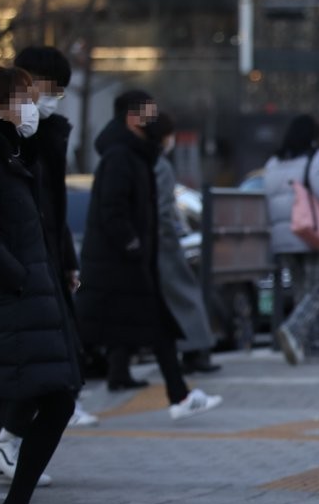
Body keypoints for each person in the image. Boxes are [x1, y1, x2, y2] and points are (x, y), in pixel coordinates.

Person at [0, 65, 80, 504]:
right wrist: (17, 276)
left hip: (20, 310)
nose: (33, 107)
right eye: (25, 98)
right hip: (0, 310)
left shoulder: (8, 153)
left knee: (57, 396)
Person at [0, 46, 95, 492]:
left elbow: (51, 206)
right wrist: (21, 269)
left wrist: (65, 260)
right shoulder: (0, 139)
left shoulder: (44, 135)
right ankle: (4, 446)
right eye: (49, 90)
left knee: (59, 372)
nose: (50, 101)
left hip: (40, 261)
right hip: (20, 268)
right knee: (49, 373)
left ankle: (5, 448)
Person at [75, 90, 222, 420]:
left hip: (131, 263)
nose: (156, 120)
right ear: (132, 117)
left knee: (158, 328)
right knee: (85, 333)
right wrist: (132, 244)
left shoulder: (136, 155)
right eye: (149, 113)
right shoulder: (120, 157)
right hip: (116, 265)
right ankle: (61, 401)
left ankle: (181, 397)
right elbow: (113, 211)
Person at [262, 115, 319, 365]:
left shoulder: (273, 163)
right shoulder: (317, 159)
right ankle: (292, 330)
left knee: (302, 291)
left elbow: (268, 198)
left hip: (284, 235)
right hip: (312, 233)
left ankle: (314, 347)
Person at [147, 113, 221, 374]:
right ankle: (195, 352)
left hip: (149, 243)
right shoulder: (161, 166)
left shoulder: (143, 162)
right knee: (186, 297)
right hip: (163, 243)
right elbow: (163, 210)